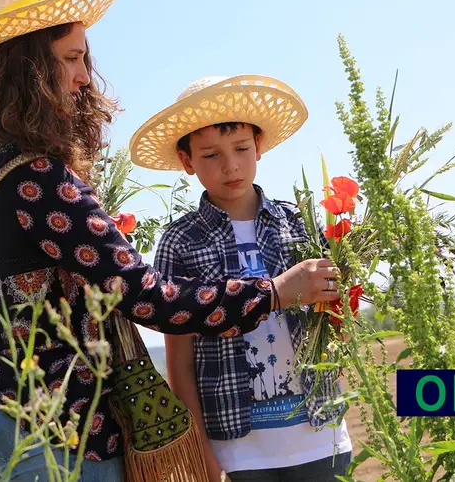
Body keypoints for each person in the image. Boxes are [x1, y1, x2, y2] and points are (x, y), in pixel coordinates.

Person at [0, 0, 342, 481]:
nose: (85, 77)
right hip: (56, 422)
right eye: (72, 58)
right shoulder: (36, 180)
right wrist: (274, 292)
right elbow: (153, 300)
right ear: (29, 68)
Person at [129, 75, 354, 482]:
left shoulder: (298, 224)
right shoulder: (180, 242)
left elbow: (335, 322)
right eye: (211, 155)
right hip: (238, 448)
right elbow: (180, 361)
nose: (230, 165)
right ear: (186, 161)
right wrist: (201, 451)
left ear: (260, 146)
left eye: (241, 149)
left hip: (318, 432)